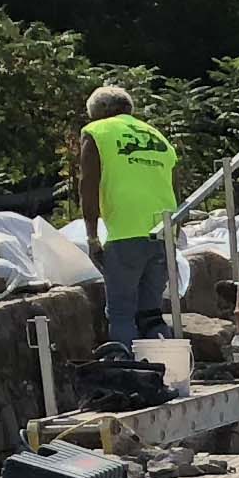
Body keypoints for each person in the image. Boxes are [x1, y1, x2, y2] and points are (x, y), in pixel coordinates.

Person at [76, 83, 178, 348]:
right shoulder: (157, 136)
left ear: (99, 113)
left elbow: (88, 184)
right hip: (163, 232)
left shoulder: (97, 132)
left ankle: (131, 375)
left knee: (121, 312)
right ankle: (165, 368)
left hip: (125, 233)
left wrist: (91, 237)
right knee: (151, 314)